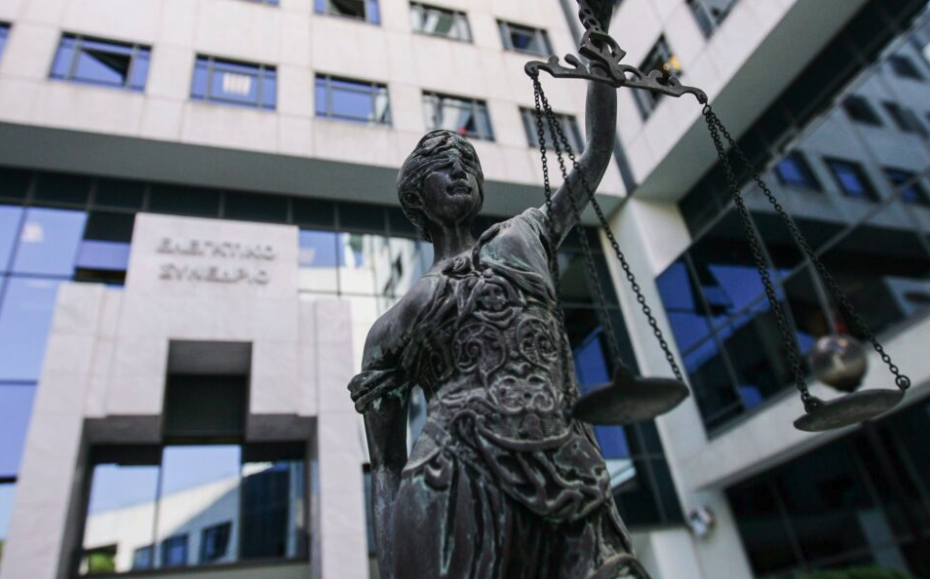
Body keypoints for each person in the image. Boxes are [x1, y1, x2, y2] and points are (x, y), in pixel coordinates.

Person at [349, 78, 649, 578]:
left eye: (468, 163)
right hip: (455, 485)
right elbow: (385, 466)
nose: (459, 169)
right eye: (442, 164)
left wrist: (599, 65)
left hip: (563, 464)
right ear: (416, 196)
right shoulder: (392, 326)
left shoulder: (522, 237)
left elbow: (596, 154)